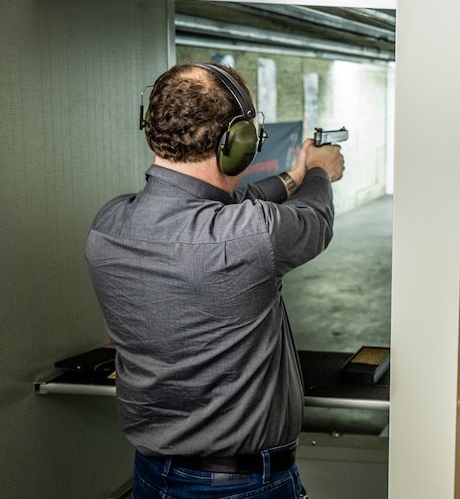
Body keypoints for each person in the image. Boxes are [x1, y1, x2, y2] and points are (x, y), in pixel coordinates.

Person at [85, 62, 345, 499]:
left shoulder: (110, 224)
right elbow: (315, 219)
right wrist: (319, 173)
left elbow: (224, 204)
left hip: (150, 478)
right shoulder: (253, 234)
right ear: (237, 143)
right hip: (243, 486)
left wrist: (293, 176)